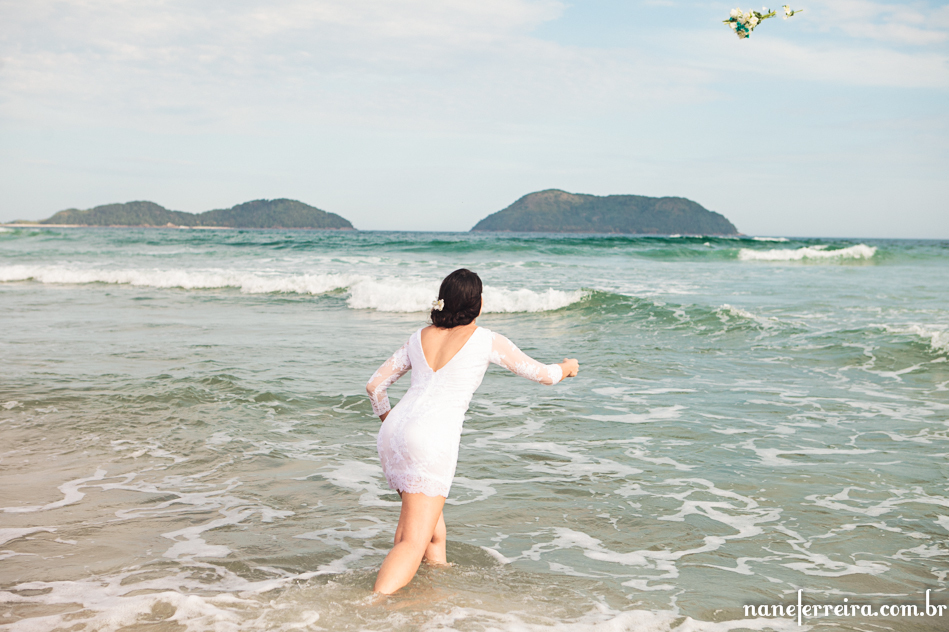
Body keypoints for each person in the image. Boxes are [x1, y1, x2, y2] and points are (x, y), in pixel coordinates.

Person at [365, 268, 579, 594]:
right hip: (430, 442)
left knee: (432, 532)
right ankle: (368, 612)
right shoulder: (485, 339)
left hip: (393, 434)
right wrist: (567, 367)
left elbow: (374, 387)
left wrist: (396, 427)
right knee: (411, 540)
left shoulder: (419, 337)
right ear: (477, 304)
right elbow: (544, 375)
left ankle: (432, 595)